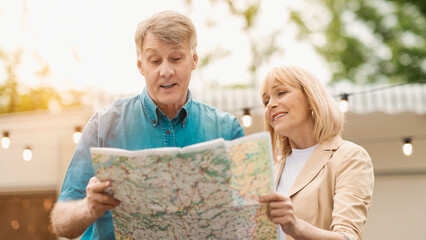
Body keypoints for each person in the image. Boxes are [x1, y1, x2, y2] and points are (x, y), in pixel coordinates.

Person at [50, 11, 244, 239]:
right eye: (155, 61)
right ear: (141, 65)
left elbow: (247, 219)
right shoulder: (103, 126)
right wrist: (88, 207)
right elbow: (61, 223)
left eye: (176, 58)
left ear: (193, 60)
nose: (166, 71)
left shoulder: (228, 130)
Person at [259, 66, 374, 240]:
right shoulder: (270, 168)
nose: (271, 105)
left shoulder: (350, 157)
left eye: (281, 93)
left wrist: (296, 227)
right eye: (266, 101)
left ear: (310, 98)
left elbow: (349, 237)